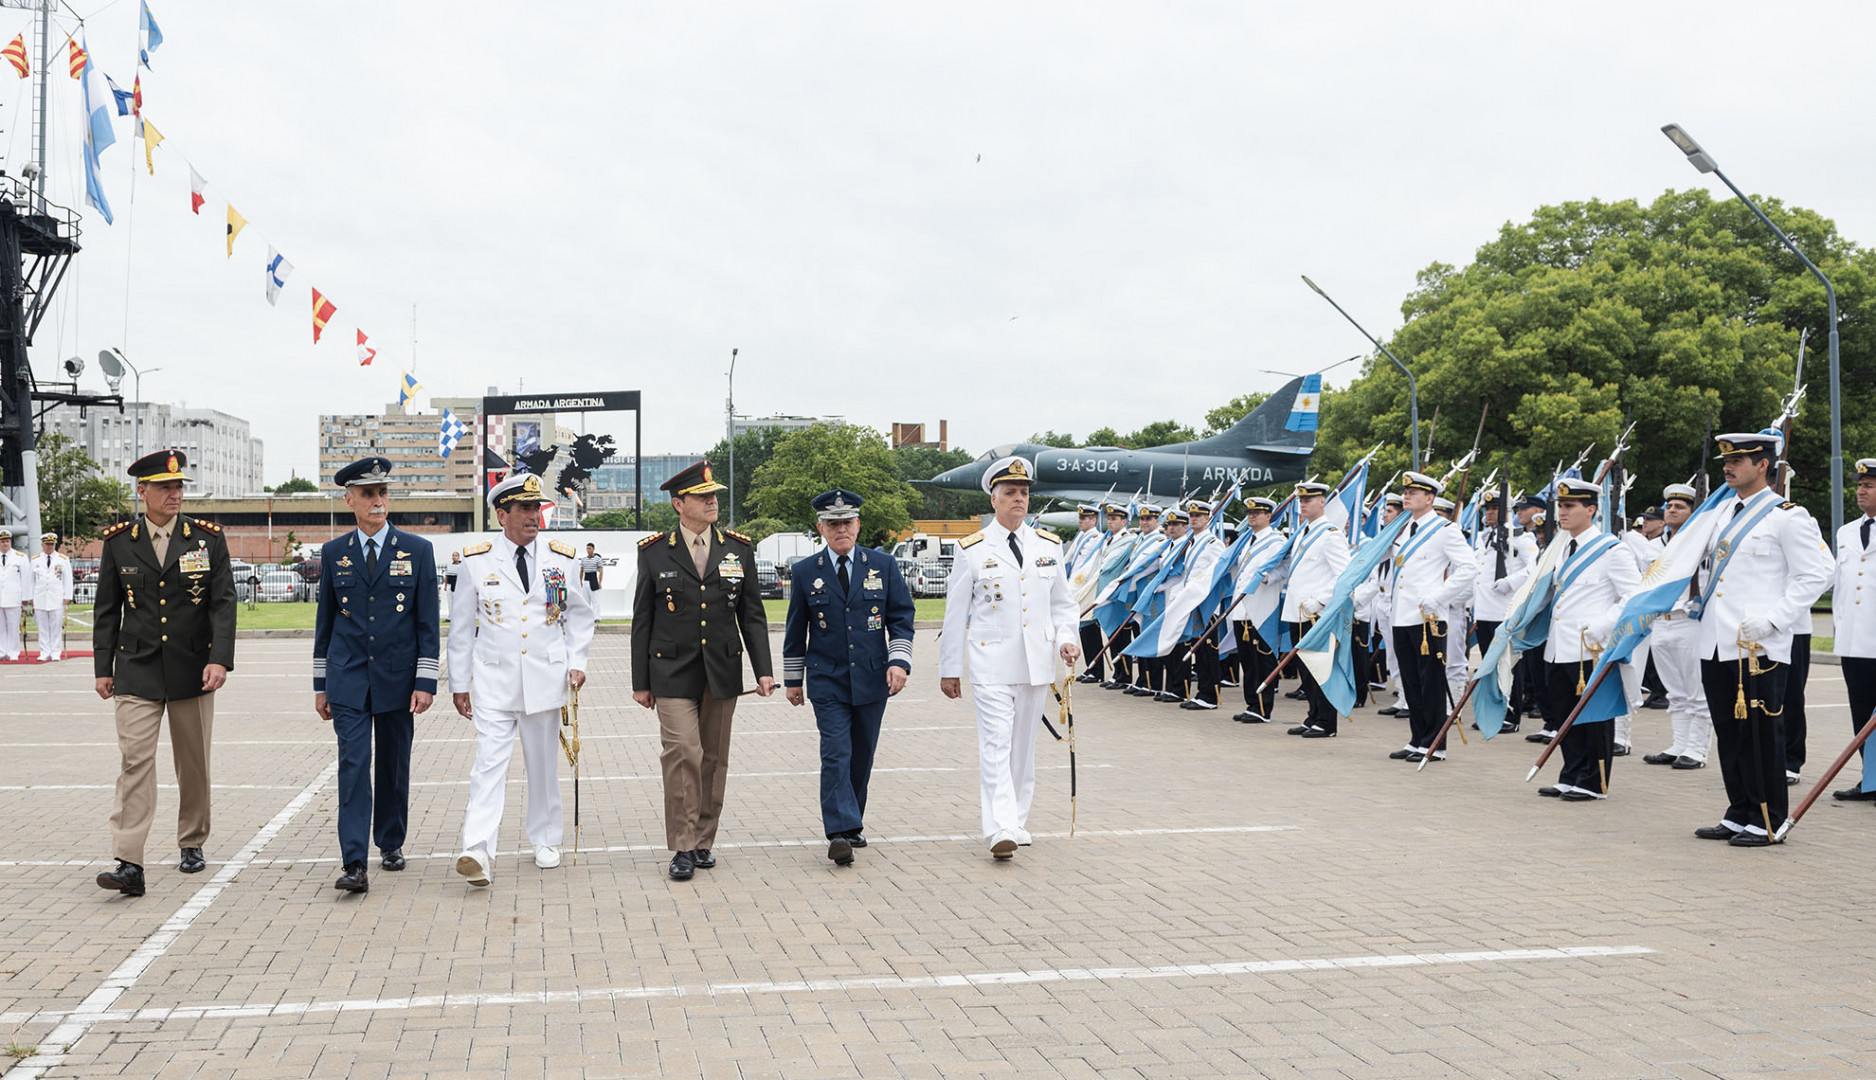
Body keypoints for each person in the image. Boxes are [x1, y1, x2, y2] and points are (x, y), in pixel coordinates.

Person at [92, 450, 236, 897]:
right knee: (135, 761)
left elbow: (223, 603)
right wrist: (102, 669)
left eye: (178, 487)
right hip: (136, 668)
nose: (175, 494)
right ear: (143, 492)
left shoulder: (206, 539)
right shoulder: (120, 542)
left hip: (193, 667)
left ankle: (191, 840)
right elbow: (106, 609)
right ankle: (128, 860)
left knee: (193, 763)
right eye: (165, 487)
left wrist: (219, 659)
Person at [449, 473, 595, 886]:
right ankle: (478, 849)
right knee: (488, 766)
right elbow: (461, 627)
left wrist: (577, 660)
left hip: (546, 678)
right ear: (502, 515)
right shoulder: (476, 560)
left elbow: (580, 614)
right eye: (525, 509)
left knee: (543, 766)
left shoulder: (562, 557)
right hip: (494, 681)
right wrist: (458, 683)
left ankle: (546, 838)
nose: (534, 516)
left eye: (537, 508)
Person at [631, 460, 774, 881]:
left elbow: (752, 615)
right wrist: (640, 682)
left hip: (722, 669)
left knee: (713, 758)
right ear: (679, 504)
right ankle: (682, 844)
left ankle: (702, 841)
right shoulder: (655, 551)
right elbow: (642, 619)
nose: (712, 501)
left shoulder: (738, 549)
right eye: (702, 496)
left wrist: (763, 670)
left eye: (713, 495)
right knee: (682, 753)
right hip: (671, 671)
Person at [1691, 432, 1831, 846]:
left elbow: (1819, 573)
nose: (1728, 467)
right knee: (1729, 733)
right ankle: (1740, 811)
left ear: (1763, 465)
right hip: (1717, 640)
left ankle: (1768, 819)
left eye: (1738, 460)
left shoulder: (1786, 516)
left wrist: (1773, 620)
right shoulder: (1720, 515)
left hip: (1758, 645)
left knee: (1761, 735)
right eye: (1726, 461)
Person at [939, 455, 1080, 859]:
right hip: (991, 664)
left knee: (1023, 748)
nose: (1019, 498)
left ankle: (1016, 820)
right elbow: (955, 614)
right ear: (994, 499)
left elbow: (1062, 604)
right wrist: (950, 670)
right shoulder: (971, 549)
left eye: (1023, 492)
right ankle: (999, 826)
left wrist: (1066, 639)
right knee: (996, 744)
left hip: (1036, 663)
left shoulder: (1048, 546)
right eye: (1010, 492)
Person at [313, 456, 441, 894]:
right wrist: (321, 686)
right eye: (368, 494)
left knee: (392, 763)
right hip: (348, 677)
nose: (378, 501)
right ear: (349, 500)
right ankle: (354, 861)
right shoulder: (334, 553)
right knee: (353, 765)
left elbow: (427, 623)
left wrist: (425, 682)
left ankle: (390, 841)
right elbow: (325, 623)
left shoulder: (417, 550)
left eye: (383, 492)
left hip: (397, 678)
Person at [781, 489, 916, 866]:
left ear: (858, 525)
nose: (841, 529)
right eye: (833, 524)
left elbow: (901, 618)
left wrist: (899, 662)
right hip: (827, 679)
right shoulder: (806, 571)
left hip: (872, 678)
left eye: (847, 522)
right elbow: (796, 629)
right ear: (820, 528)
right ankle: (839, 831)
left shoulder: (883, 565)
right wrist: (793, 680)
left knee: (861, 754)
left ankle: (852, 821)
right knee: (836, 752)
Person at [1531, 478, 1640, 801]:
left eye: (1570, 506)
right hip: (1559, 645)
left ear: (1591, 509)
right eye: (1560, 506)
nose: (1562, 512)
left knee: (1594, 717)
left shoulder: (1611, 550)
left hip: (1590, 647)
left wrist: (1603, 626)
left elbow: (1633, 596)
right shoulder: (1561, 546)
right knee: (1565, 714)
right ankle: (1572, 774)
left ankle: (1594, 782)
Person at [1386, 473, 1477, 763]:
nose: (1407, 496)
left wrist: (1439, 597)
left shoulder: (1444, 530)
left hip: (1428, 617)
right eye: (1405, 492)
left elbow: (1469, 567)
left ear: (1429, 498)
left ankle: (1435, 745)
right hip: (1402, 615)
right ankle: (1417, 740)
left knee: (1431, 683)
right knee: (1411, 682)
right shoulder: (1403, 530)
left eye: (1413, 492)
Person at [1640, 484, 1713, 770]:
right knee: (1674, 690)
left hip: (1690, 621)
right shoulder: (1653, 547)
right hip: (1661, 622)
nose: (1671, 510)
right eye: (1669, 506)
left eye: (1680, 507)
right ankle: (1679, 744)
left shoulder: (1705, 542)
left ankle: (1697, 749)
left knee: (1697, 689)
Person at [1272, 482, 1350, 736]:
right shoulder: (1303, 533)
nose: (1303, 504)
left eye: (1308, 500)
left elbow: (1345, 575)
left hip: (1316, 614)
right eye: (1301, 500)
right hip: (1298, 612)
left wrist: (1321, 600)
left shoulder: (1330, 535)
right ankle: (1313, 716)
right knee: (1306, 670)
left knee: (1320, 669)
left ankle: (1327, 723)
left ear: (1322, 502)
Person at [1470, 496, 1536, 733]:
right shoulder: (1483, 538)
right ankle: (1494, 711)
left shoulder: (1520, 538)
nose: (1489, 513)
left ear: (1507, 511)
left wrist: (1510, 582)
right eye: (1487, 508)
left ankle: (1511, 714)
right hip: (1484, 611)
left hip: (1505, 611)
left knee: (1508, 665)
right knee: (1489, 665)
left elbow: (1535, 568)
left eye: (1495, 508)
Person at [1831, 459, 1876, 802]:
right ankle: (1870, 779)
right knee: (1861, 713)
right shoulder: (1846, 532)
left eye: (1869, 486)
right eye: (1860, 485)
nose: (1861, 491)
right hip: (1853, 640)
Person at [1228, 497, 1284, 722]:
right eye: (1249, 512)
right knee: (1248, 661)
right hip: (1242, 608)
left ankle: (1263, 708)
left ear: (1268, 516)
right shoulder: (1247, 541)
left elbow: (1285, 568)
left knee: (1262, 660)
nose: (1251, 516)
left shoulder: (1276, 541)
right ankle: (1252, 704)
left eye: (1257, 513)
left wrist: (1268, 578)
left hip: (1261, 608)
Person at [32, 532, 73, 661]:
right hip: (40, 597)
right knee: (42, 627)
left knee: (56, 627)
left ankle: (55, 652)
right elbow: (31, 581)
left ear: (55, 544)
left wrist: (67, 596)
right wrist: (31, 597)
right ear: (42, 545)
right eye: (47, 544)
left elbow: (68, 580)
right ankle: (44, 652)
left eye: (51, 544)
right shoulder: (35, 560)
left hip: (56, 598)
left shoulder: (63, 559)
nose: (49, 546)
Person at [0, 527, 30, 661]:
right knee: (1, 628)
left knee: (13, 627)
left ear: (10, 542)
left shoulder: (20, 557)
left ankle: (13, 652)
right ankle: (2, 651)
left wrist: (25, 597)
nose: (5, 543)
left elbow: (25, 579)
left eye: (7, 541)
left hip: (14, 597)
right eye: (2, 541)